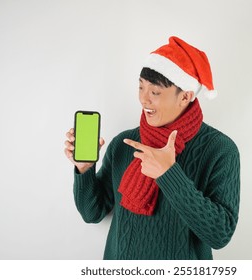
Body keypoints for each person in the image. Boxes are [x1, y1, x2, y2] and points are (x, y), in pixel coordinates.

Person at [64, 36, 240, 260]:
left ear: (185, 96)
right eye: (140, 87)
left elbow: (220, 234)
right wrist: (84, 169)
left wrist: (169, 174)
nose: (143, 99)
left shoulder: (220, 150)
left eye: (155, 92)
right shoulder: (123, 144)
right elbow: (92, 212)